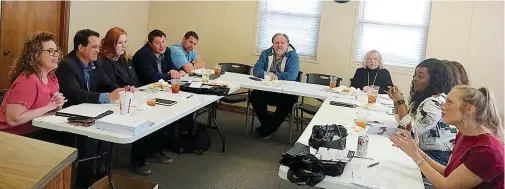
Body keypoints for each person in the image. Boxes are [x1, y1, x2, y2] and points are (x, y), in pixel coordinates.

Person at [390, 86, 503, 189]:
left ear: (469, 109)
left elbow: (446, 186)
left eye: (449, 102)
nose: (442, 107)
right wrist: (416, 149)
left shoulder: (487, 151)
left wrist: (415, 155)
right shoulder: (464, 134)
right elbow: (447, 172)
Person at [98, 27, 172, 175]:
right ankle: (138, 160)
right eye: (120, 43)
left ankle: (154, 150)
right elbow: (110, 85)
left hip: (131, 97)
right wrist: (128, 89)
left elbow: (134, 80)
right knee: (142, 120)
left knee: (158, 113)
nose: (124, 46)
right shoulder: (104, 62)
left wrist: (135, 90)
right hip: (114, 102)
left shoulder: (124, 59)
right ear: (111, 43)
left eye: (125, 42)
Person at [55, 29, 123, 188]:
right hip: (71, 114)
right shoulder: (66, 65)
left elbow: (105, 83)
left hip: (91, 110)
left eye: (98, 46)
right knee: (90, 142)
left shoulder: (96, 62)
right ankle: (83, 183)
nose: (98, 50)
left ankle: (99, 176)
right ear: (80, 48)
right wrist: (106, 97)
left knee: (107, 134)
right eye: (94, 47)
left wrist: (121, 90)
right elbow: (75, 94)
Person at [388, 58, 456, 166]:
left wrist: (400, 101)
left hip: (438, 157)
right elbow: (405, 119)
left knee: (390, 160)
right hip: (429, 152)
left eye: (420, 76)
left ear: (434, 80)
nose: (415, 79)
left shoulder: (433, 103)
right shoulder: (431, 97)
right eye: (415, 75)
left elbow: (409, 131)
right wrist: (397, 101)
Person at [0, 32, 65, 142]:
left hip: (38, 130)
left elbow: (50, 109)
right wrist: (49, 107)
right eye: (50, 51)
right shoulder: (28, 80)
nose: (56, 55)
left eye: (56, 51)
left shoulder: (52, 78)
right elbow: (13, 120)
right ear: (36, 54)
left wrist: (57, 105)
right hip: (13, 136)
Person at [249, 33, 299, 139]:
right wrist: (268, 75)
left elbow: (292, 75)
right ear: (273, 44)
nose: (279, 45)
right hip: (267, 89)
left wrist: (274, 76)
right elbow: (256, 70)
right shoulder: (265, 53)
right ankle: (269, 127)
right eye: (276, 43)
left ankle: (266, 129)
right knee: (254, 95)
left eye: (282, 43)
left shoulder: (293, 56)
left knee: (289, 101)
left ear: (287, 44)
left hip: (286, 91)